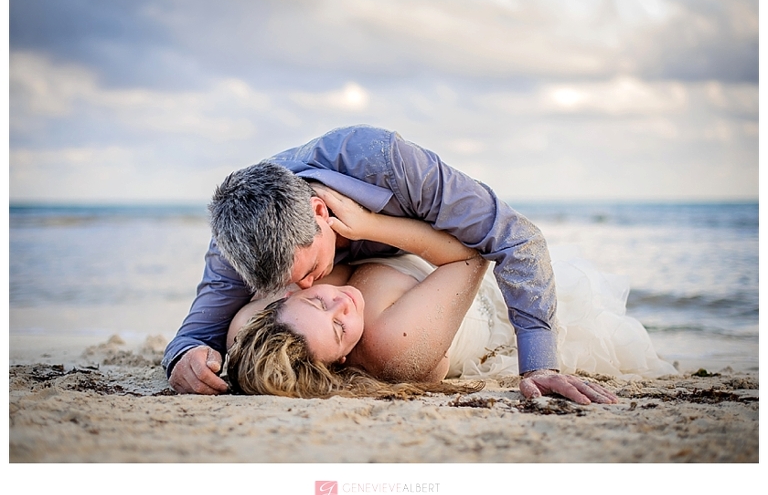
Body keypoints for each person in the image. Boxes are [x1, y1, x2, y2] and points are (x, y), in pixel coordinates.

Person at [163, 125, 593, 402]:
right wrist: (184, 358)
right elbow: (198, 328)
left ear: (319, 212)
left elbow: (516, 238)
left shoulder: (388, 165)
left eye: (309, 272)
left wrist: (539, 364)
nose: (306, 286)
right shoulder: (237, 240)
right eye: (290, 287)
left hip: (434, 263)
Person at [225, 196, 621, 403]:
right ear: (342, 359)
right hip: (478, 297)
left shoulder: (259, 328)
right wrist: (372, 226)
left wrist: (191, 348)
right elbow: (472, 254)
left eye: (316, 302)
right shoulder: (391, 342)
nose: (342, 303)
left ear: (284, 300)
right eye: (340, 327)